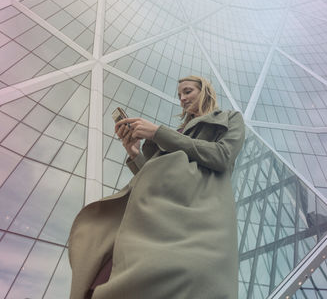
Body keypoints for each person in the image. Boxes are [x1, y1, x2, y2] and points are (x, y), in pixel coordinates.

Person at [68, 75, 245, 299]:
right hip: (150, 218)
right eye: (179, 95)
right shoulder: (175, 135)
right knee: (106, 279)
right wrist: (134, 152)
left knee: (163, 279)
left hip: (192, 220)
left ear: (204, 91)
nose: (182, 98)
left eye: (188, 91)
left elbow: (223, 155)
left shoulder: (230, 118)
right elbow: (155, 180)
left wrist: (157, 133)